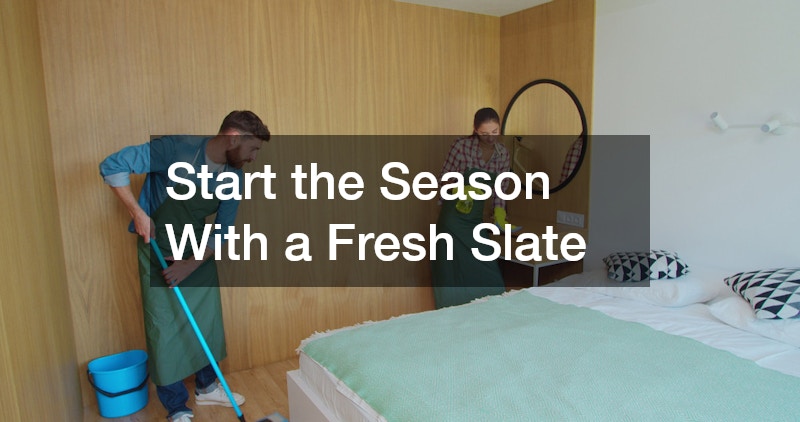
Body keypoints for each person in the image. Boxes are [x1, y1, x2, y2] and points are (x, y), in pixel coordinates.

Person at [99, 110, 270, 422]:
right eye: (253, 148)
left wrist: (189, 265)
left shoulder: (234, 177)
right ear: (233, 138)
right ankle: (176, 406)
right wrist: (138, 213)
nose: (254, 157)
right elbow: (112, 166)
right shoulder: (174, 150)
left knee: (206, 322)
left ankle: (207, 387)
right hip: (158, 249)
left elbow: (223, 230)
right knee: (164, 328)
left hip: (197, 252)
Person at [432, 107, 518, 309]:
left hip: (474, 220)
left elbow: (500, 190)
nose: (490, 138)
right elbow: (442, 179)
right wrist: (461, 187)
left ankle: (489, 316)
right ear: (475, 130)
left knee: (488, 272)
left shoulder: (503, 155)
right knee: (452, 274)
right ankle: (451, 319)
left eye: (495, 132)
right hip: (452, 219)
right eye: (484, 133)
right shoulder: (461, 146)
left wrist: (499, 215)